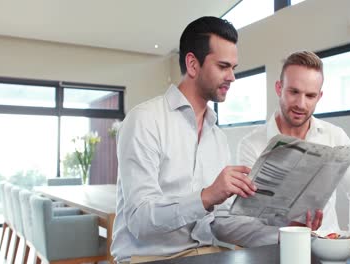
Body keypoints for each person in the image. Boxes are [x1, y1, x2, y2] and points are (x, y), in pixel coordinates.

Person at [111, 17, 320, 263]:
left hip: (206, 255)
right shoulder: (144, 121)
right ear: (192, 64)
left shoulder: (216, 136)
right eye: (223, 66)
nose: (232, 77)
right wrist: (207, 196)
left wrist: (283, 234)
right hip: (150, 258)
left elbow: (220, 221)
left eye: (233, 67)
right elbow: (140, 220)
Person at [237, 51, 350, 233]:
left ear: (319, 97)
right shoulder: (251, 145)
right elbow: (246, 217)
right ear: (279, 88)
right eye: (294, 92)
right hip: (275, 250)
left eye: (310, 96)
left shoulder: (335, 136)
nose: (301, 104)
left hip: (328, 251)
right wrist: (287, 232)